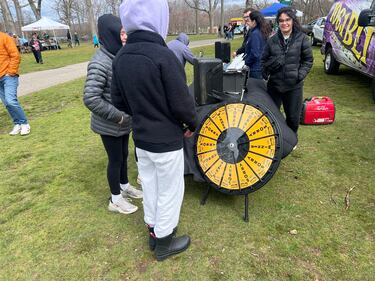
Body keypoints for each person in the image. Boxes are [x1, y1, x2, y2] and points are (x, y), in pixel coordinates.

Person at [113, 0, 197, 261]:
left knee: (150, 186)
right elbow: (182, 102)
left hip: (141, 138)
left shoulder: (121, 57)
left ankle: (153, 230)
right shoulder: (163, 56)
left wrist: (142, 110)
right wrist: (191, 124)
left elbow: (118, 101)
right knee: (170, 189)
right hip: (165, 138)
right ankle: (163, 242)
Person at [83, 14, 142, 215]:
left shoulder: (117, 55)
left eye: (125, 32)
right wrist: (118, 116)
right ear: (110, 35)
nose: (125, 37)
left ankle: (125, 186)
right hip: (111, 123)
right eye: (121, 33)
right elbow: (90, 98)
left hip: (124, 122)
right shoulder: (100, 62)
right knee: (115, 159)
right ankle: (115, 199)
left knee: (124, 156)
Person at [261, 7, 313, 133]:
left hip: (293, 86)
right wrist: (269, 67)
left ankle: (292, 140)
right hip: (275, 85)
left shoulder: (302, 38)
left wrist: (299, 76)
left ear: (293, 20)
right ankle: (275, 140)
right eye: (281, 20)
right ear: (278, 22)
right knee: (271, 117)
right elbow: (263, 61)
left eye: (287, 20)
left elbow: (308, 61)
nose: (284, 23)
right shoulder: (271, 40)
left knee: (293, 118)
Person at [0, 32, 30, 135]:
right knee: (7, 103)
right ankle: (17, 123)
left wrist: (11, 72)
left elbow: (15, 55)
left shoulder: (5, 38)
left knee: (11, 100)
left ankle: (24, 124)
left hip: (8, 76)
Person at [245, 11, 271, 79]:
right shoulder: (262, 31)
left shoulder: (255, 34)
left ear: (254, 21)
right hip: (261, 66)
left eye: (249, 20)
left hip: (255, 68)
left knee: (255, 88)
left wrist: (246, 62)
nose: (247, 23)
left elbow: (255, 53)